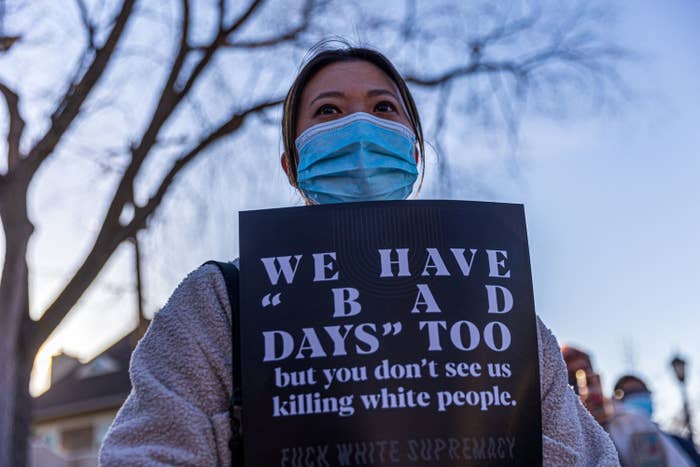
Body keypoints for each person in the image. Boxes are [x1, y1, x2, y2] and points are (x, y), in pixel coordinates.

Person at [99, 45, 619, 466]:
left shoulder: (498, 307)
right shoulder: (219, 304)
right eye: (328, 111)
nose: (361, 129)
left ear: (414, 152)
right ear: (291, 162)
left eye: (383, 108)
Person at [608, 375, 699, 466]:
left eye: (641, 391)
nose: (638, 396)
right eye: (630, 393)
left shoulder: (678, 443)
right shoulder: (610, 447)